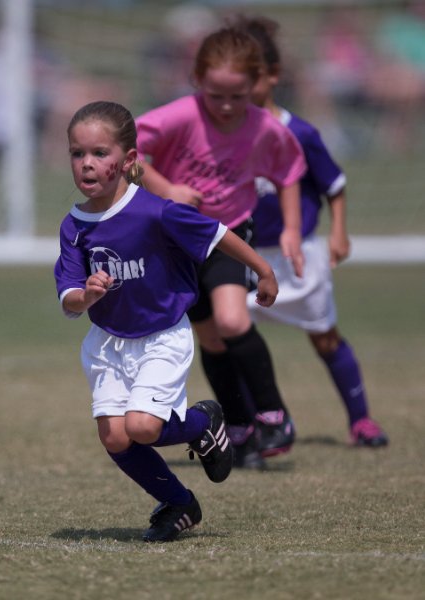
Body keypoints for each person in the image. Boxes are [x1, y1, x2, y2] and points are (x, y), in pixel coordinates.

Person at [54, 100, 280, 542]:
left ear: (128, 161)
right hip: (107, 343)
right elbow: (68, 299)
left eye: (100, 153)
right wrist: (88, 294)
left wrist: (265, 271)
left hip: (162, 337)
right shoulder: (74, 226)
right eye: (77, 154)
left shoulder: (156, 211)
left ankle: (203, 424)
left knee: (143, 427)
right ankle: (179, 502)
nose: (87, 164)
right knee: (116, 438)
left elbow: (217, 234)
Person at [135, 27, 306, 468]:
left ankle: (274, 415)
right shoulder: (178, 116)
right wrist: (167, 187)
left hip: (230, 235)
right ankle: (239, 423)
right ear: (196, 80)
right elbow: (126, 153)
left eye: (238, 96)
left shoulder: (265, 127)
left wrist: (290, 228)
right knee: (208, 337)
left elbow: (289, 172)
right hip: (176, 242)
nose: (228, 106)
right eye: (217, 96)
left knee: (232, 320)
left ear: (256, 85)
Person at [235, 15, 389, 448]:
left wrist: (339, 233)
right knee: (234, 336)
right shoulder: (226, 135)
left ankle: (361, 421)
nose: (245, 89)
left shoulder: (300, 132)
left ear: (273, 76)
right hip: (244, 256)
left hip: (298, 255)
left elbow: (334, 186)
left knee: (325, 338)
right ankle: (261, 426)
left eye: (253, 78)